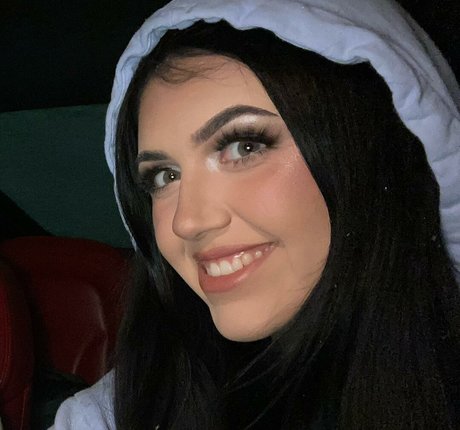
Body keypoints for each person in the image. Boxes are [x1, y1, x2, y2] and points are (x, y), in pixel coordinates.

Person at [50, 0, 460, 428]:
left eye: (244, 146)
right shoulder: (108, 417)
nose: (187, 222)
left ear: (371, 154)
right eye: (164, 176)